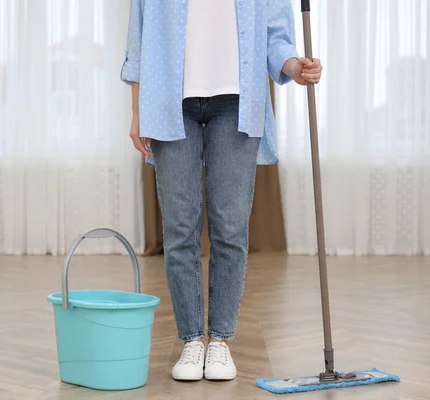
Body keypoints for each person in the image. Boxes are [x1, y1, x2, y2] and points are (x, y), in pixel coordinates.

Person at [121, 0, 322, 382]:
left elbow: (276, 38)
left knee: (229, 227)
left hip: (238, 103)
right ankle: (192, 339)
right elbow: (139, 39)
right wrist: (136, 112)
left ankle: (220, 342)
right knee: (180, 228)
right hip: (169, 103)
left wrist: (295, 67)